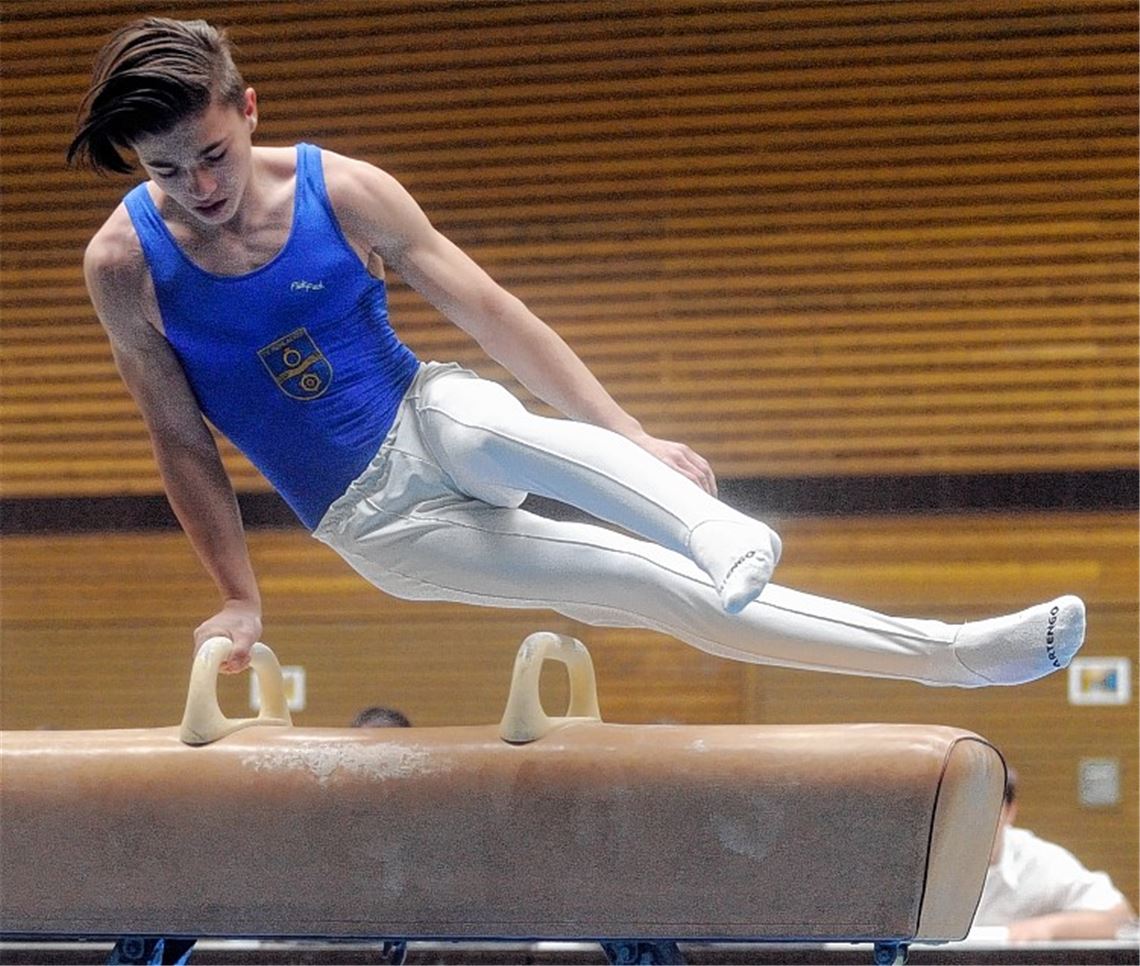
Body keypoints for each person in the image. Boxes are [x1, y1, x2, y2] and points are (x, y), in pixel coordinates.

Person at [68, 17, 1087, 687]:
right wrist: (240, 597)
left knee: (481, 417)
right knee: (646, 589)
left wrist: (632, 435)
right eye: (167, 172)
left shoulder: (346, 191)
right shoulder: (125, 265)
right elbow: (182, 443)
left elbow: (494, 313)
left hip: (429, 413)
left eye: (213, 156)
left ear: (250, 112)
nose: (200, 187)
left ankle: (716, 526)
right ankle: (951, 657)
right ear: (133, 164)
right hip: (377, 523)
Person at [974, 768, 1134, 941]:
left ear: (1009, 811)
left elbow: (1120, 918)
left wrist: (1045, 927)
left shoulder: (1038, 860)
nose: (971, 820)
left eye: (984, 807)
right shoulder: (940, 857)